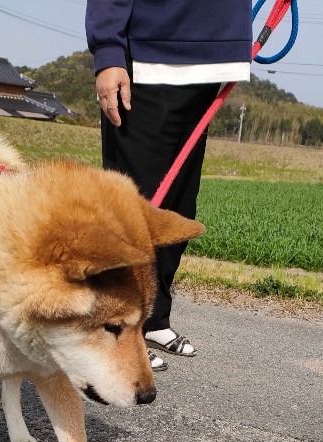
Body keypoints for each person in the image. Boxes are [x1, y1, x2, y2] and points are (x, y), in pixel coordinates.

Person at [86, 0, 253, 371]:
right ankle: (114, 325)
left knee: (178, 206)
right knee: (135, 206)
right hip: (151, 53)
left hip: (209, 57)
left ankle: (153, 318)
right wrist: (109, 50)